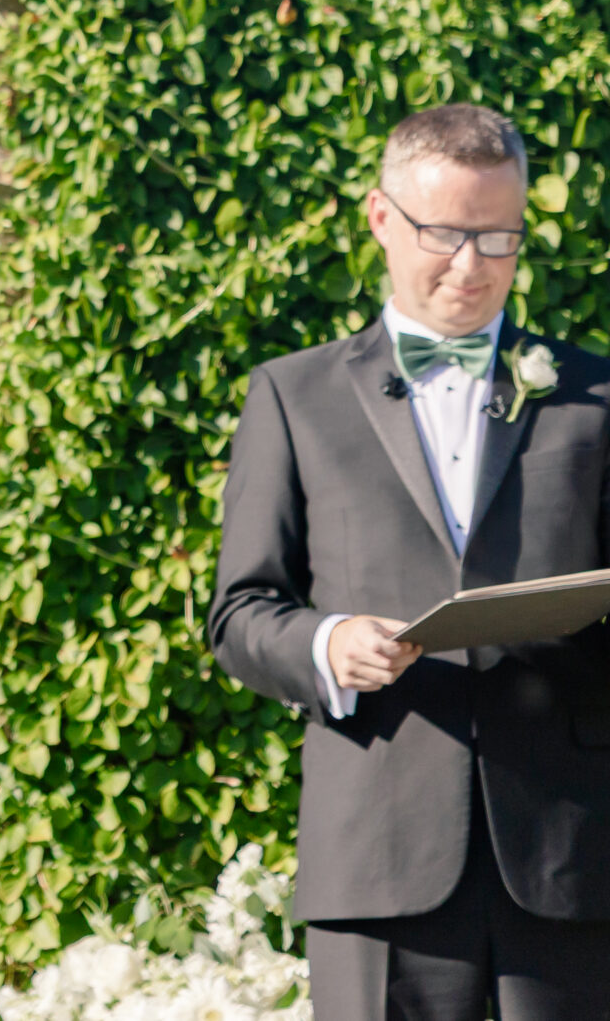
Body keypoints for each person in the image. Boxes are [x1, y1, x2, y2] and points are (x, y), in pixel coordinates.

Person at [209, 103, 610, 1021]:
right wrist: (327, 640)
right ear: (381, 218)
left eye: (498, 237)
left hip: (568, 850)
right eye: (443, 233)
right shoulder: (293, 395)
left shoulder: (595, 396)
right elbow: (240, 610)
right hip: (378, 847)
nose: (471, 265)